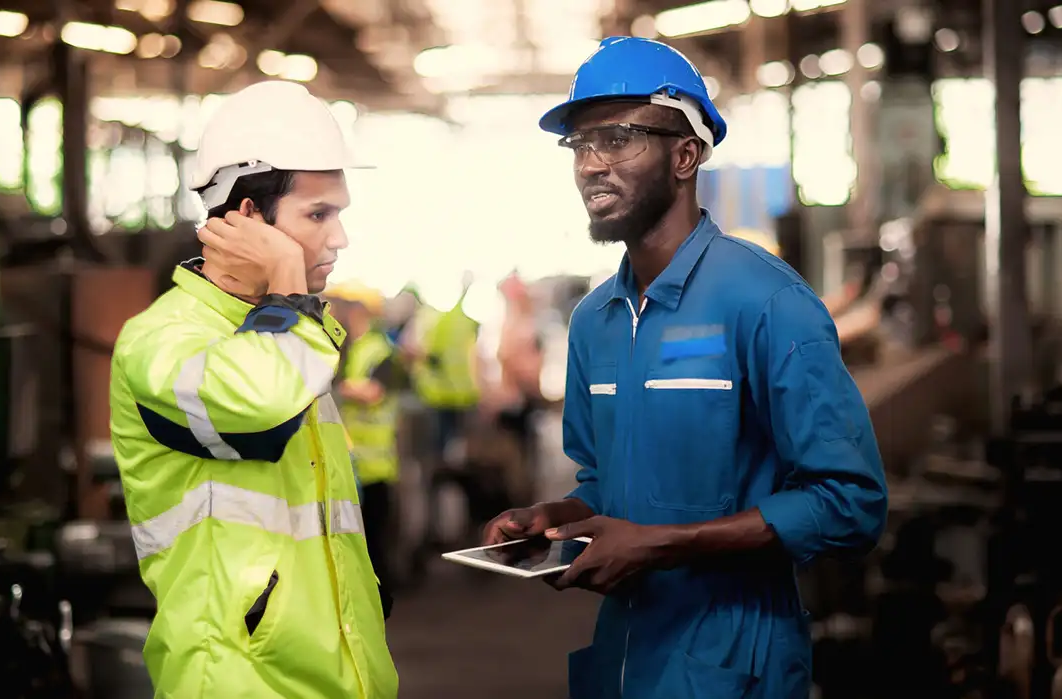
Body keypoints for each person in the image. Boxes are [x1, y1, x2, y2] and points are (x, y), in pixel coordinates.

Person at [482, 37, 888, 699]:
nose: (592, 164)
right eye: (581, 145)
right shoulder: (596, 322)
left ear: (685, 154)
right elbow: (611, 490)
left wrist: (661, 544)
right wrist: (554, 516)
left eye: (618, 139)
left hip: (735, 657)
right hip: (625, 655)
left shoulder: (767, 303)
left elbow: (851, 504)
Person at [109, 80, 397, 699]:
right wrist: (290, 288)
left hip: (335, 676)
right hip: (236, 681)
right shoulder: (162, 341)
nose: (339, 238)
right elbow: (259, 408)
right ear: (246, 218)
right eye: (318, 214)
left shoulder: (286, 335)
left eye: (339, 214)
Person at [327, 282, 407, 590]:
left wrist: (322, 381)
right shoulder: (350, 347)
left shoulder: (381, 351)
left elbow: (373, 393)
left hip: (375, 467)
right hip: (350, 463)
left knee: (374, 545)